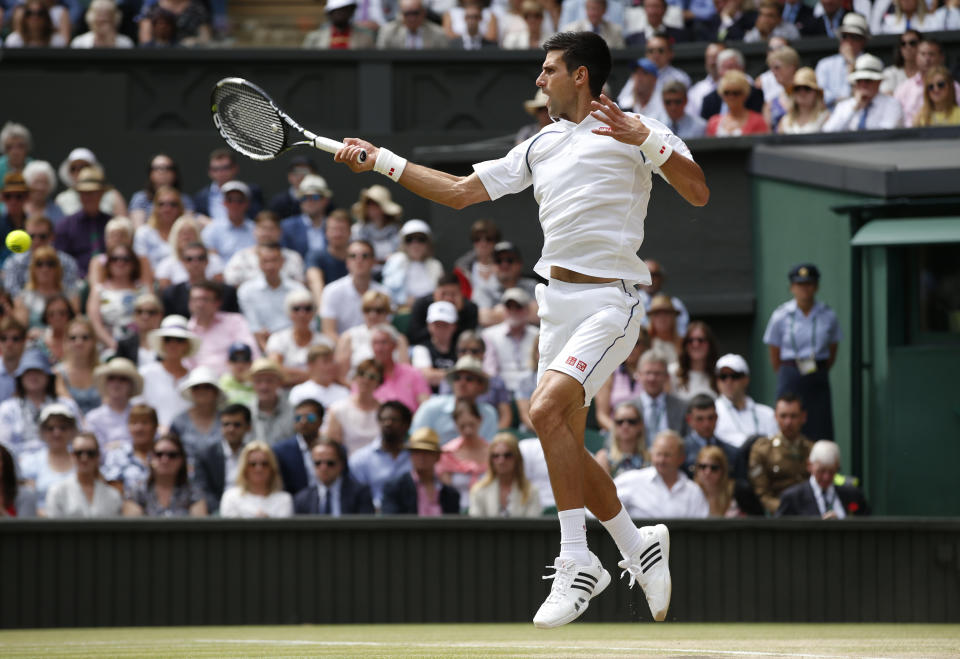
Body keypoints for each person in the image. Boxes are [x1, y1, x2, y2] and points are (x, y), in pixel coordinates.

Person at [334, 30, 708, 628]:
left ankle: (577, 559)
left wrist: (651, 145)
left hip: (611, 302)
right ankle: (637, 545)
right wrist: (379, 159)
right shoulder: (540, 145)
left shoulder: (639, 130)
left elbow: (698, 191)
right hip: (554, 306)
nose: (539, 78)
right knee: (561, 436)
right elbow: (459, 193)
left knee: (543, 413)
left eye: (549, 68)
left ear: (580, 75)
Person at [763, 263, 842, 440]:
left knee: (820, 426)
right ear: (792, 287)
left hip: (817, 372)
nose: (804, 289)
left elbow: (833, 349)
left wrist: (818, 368)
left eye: (809, 284)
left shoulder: (828, 315)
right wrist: (789, 370)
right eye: (800, 285)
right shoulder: (781, 315)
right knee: (788, 420)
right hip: (790, 371)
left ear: (816, 287)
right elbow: (774, 352)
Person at [0, 350, 80, 464]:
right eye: (28, 372)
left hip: (63, 465)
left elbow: (79, 439)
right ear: (20, 377)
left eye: (38, 371)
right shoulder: (8, 409)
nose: (33, 376)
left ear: (48, 376)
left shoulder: (67, 405)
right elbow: (4, 446)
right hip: (21, 467)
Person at [614, 430, 709, 518]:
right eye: (658, 454)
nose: (661, 460)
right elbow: (605, 504)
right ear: (651, 454)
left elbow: (701, 529)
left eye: (667, 455)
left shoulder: (693, 491)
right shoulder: (632, 480)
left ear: (681, 458)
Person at [748, 394, 814, 515]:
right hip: (778, 515)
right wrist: (785, 508)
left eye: (793, 416)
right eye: (783, 416)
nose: (788, 422)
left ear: (803, 417)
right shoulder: (763, 449)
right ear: (775, 417)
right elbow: (762, 493)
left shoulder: (812, 450)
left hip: (809, 514)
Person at [237, 243, 309, 352]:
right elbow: (254, 329)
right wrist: (270, 356)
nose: (270, 266)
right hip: (263, 346)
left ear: (282, 262)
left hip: (296, 343)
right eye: (265, 261)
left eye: (274, 260)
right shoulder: (246, 290)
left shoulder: (298, 288)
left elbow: (307, 323)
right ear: (259, 263)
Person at [411, 356, 498, 443]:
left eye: (469, 379)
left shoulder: (489, 413)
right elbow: (416, 443)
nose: (462, 383)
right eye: (457, 378)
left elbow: (488, 449)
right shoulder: (430, 407)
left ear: (480, 386)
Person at [777, 439, 869, 518]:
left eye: (832, 471)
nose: (826, 477)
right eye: (821, 471)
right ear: (810, 465)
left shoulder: (853, 495)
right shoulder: (793, 498)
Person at [319, 239, 390, 340]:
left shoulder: (384, 293)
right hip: (341, 351)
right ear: (347, 262)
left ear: (373, 262)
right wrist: (349, 350)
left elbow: (385, 329)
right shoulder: (331, 291)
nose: (359, 260)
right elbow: (328, 331)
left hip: (377, 350)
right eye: (353, 256)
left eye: (365, 256)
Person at [349, 400, 413, 510]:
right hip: (373, 518)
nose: (388, 424)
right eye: (383, 420)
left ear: (406, 425)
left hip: (411, 517)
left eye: (394, 420)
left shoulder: (416, 457)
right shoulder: (360, 459)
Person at [186, 281, 260, 376]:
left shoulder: (235, 321)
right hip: (200, 386)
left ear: (217, 303)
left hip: (236, 382)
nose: (199, 304)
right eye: (195, 299)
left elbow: (252, 353)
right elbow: (186, 366)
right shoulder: (185, 331)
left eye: (205, 299)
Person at [137, 315, 198, 428]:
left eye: (179, 340)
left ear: (186, 345)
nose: (173, 344)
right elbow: (138, 409)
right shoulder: (145, 374)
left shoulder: (195, 379)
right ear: (162, 343)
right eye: (168, 339)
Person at [381, 428, 460, 515]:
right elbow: (390, 522)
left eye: (427, 452)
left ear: (437, 457)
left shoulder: (450, 494)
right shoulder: (395, 488)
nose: (421, 457)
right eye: (417, 452)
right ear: (411, 455)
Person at [18, 402, 79, 515]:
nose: (57, 433)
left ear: (72, 431)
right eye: (50, 428)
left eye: (63, 427)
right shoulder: (30, 463)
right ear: (42, 432)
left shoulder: (83, 460)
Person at [86, 244, 149, 352]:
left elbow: (152, 318)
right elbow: (95, 323)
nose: (120, 263)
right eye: (114, 259)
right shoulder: (99, 291)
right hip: (108, 347)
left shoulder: (143, 290)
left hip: (140, 346)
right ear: (108, 263)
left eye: (126, 259)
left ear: (133, 263)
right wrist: (113, 344)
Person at [46, 432, 123, 518]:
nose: (84, 458)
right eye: (79, 453)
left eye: (90, 453)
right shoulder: (57, 492)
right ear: (72, 456)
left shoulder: (113, 495)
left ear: (98, 456)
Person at [52, 166, 111, 276]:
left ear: (102, 193)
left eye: (93, 193)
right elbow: (60, 260)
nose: (88, 197)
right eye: (84, 193)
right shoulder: (66, 226)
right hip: (76, 281)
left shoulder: (111, 224)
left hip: (110, 281)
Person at [823, 53, 905, 131]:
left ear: (879, 82)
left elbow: (887, 132)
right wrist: (854, 108)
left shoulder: (892, 104)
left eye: (867, 80)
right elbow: (828, 132)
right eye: (859, 81)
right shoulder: (845, 106)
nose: (863, 85)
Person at [194, 403, 251, 514]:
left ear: (248, 427)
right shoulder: (206, 455)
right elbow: (202, 490)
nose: (231, 429)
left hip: (249, 510)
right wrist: (223, 510)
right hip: (218, 512)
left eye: (237, 425)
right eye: (226, 424)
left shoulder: (254, 455)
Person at [469, 432, 542, 517]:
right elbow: (475, 527)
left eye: (507, 455)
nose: (501, 461)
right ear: (491, 460)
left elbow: (533, 527)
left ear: (517, 458)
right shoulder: (478, 490)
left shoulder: (531, 491)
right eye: (496, 456)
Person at [482, 288, 538, 397]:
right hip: (502, 393)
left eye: (518, 307)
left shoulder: (538, 335)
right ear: (504, 310)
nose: (513, 311)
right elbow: (490, 370)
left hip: (532, 391)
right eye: (509, 307)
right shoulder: (489, 335)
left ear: (527, 310)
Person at [713, 353, 777, 449]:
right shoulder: (711, 413)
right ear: (717, 380)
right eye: (723, 376)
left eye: (735, 376)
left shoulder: (767, 413)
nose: (728, 381)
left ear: (746, 379)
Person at [3, 216, 77, 298]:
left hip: (57, 308)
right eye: (32, 236)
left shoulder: (67, 262)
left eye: (42, 236)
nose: (37, 241)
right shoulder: (14, 262)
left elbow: (71, 294)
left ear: (52, 236)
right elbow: (11, 294)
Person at [294, 439, 375, 515]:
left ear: (341, 464)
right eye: (318, 463)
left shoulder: (360, 494)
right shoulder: (302, 499)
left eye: (330, 463)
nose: (323, 468)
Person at [436, 399, 490, 509]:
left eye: (471, 425)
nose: (468, 431)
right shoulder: (447, 453)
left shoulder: (494, 453)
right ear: (455, 424)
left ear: (480, 420)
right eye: (462, 426)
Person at [161, 242, 239, 319]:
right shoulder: (171, 294)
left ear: (207, 261)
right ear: (182, 263)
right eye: (189, 259)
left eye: (200, 258)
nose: (195, 263)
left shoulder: (227, 292)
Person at [219, 441, 294, 518]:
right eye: (252, 464)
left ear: (272, 468)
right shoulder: (231, 497)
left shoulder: (284, 499)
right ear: (244, 468)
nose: (259, 469)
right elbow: (229, 528)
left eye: (264, 464)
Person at [473, 241, 539, 327]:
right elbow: (485, 318)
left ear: (520, 264)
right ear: (492, 265)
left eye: (510, 260)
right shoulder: (483, 289)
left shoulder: (532, 285)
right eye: (499, 261)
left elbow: (539, 314)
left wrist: (497, 313)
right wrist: (523, 310)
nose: (504, 264)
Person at [325, 359, 384, 454]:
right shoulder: (338, 409)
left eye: (372, 377)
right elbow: (333, 447)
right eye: (361, 374)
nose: (366, 380)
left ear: (379, 382)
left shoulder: (385, 410)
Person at [382, 219, 445, 309]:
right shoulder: (396, 261)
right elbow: (387, 293)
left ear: (428, 243)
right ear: (403, 243)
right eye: (409, 240)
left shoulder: (435, 265)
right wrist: (403, 301)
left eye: (421, 239)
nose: (415, 244)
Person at [406, 272, 480, 347]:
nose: (448, 298)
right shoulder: (421, 305)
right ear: (435, 293)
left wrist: (457, 314)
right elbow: (413, 337)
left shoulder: (470, 308)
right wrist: (436, 324)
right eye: (444, 294)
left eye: (453, 294)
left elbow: (468, 339)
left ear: (461, 294)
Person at [895, 38, 960, 124]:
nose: (927, 59)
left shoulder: (955, 87)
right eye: (923, 54)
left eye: (931, 54)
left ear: (941, 58)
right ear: (916, 57)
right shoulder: (903, 88)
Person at [86, 358, 142, 454]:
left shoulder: (141, 414)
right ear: (106, 383)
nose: (117, 383)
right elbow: (94, 451)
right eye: (112, 378)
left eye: (123, 379)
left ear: (131, 385)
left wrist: (118, 446)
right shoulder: (93, 418)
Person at [13, 247, 78, 330]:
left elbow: (75, 325)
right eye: (39, 264)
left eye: (50, 264)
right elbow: (20, 329)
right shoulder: (23, 298)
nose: (45, 269)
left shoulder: (71, 296)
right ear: (33, 269)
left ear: (58, 269)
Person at [814, 12, 870, 109]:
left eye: (854, 37)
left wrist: (851, 64)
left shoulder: (871, 63)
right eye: (844, 36)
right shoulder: (824, 64)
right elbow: (819, 96)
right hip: (830, 118)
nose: (849, 41)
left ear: (863, 41)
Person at [270, 398, 325, 496]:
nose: (303, 421)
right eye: (298, 418)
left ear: (321, 420)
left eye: (310, 417)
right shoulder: (281, 451)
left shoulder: (333, 449)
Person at [170, 366, 225, 464]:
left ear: (216, 391)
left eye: (207, 386)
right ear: (191, 391)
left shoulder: (227, 419)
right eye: (196, 387)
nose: (202, 390)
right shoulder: (179, 421)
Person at [192, 149, 263, 223]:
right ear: (210, 172)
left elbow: (258, 218)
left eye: (225, 168)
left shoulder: (252, 191)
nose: (220, 173)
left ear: (235, 168)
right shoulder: (201, 196)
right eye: (215, 169)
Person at [372, 324, 431, 413]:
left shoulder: (412, 373)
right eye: (375, 343)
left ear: (394, 345)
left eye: (384, 342)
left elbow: (426, 404)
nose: (379, 348)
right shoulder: (365, 375)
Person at [630, 350, 689, 440]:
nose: (652, 378)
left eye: (657, 373)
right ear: (639, 375)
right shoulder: (627, 408)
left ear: (667, 376)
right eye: (648, 373)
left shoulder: (682, 408)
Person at [102, 403, 158, 495]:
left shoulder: (165, 454)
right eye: (134, 423)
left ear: (155, 426)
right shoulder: (117, 454)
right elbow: (112, 487)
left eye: (145, 422)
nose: (139, 428)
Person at [54, 148, 125, 219]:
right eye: (73, 168)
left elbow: (123, 223)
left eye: (83, 166)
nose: (78, 171)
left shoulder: (113, 196)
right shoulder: (61, 199)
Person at [156, 218, 226, 289]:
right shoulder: (166, 265)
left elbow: (220, 289)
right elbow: (166, 294)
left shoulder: (214, 260)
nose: (186, 237)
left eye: (190, 232)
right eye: (182, 233)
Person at [127, 154, 195, 228]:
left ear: (175, 173)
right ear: (150, 173)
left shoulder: (184, 199)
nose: (162, 172)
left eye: (173, 204)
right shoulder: (140, 198)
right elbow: (138, 230)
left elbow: (188, 227)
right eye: (157, 168)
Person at [304, 209, 351, 311]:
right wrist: (324, 312)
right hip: (327, 309)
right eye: (333, 229)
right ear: (326, 232)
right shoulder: (315, 256)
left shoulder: (358, 256)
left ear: (350, 232)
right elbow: (315, 283)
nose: (337, 234)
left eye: (342, 229)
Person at [681, 394, 738, 479]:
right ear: (689, 420)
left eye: (710, 418)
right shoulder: (680, 452)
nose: (706, 424)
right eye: (700, 419)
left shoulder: (732, 453)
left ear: (716, 418)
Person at [132, 185, 187, 272]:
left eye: (173, 204)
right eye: (161, 204)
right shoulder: (143, 233)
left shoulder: (187, 233)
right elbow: (144, 269)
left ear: (180, 208)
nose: (167, 209)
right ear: (155, 208)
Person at [53, 317, 101, 416]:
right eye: (73, 338)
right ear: (65, 342)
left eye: (85, 337)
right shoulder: (57, 373)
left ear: (93, 341)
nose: (79, 342)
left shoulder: (103, 371)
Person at [201, 181, 257, 263]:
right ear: (224, 203)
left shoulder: (255, 229)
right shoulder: (212, 229)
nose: (234, 204)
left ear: (247, 203)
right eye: (230, 200)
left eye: (239, 200)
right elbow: (209, 258)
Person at [349, 185, 403, 269]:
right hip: (365, 274)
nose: (372, 207)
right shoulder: (357, 230)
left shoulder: (397, 231)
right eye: (368, 203)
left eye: (375, 203)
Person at [410, 300, 460, 391]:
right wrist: (458, 375)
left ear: (454, 326)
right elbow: (427, 377)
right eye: (437, 325)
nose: (441, 329)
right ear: (429, 325)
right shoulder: (421, 348)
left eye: (445, 325)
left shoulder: (462, 348)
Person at [280, 174, 333, 260]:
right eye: (304, 197)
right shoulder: (286, 227)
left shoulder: (335, 226)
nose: (309, 201)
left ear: (325, 200)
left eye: (315, 197)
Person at [707, 70, 770, 137]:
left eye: (736, 93)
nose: (731, 97)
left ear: (745, 94)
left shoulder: (758, 121)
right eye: (726, 93)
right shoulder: (713, 122)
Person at [248, 358, 294, 446]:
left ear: (279, 383)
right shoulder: (246, 413)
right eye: (258, 381)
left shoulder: (293, 411)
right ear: (253, 384)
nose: (264, 386)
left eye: (269, 381)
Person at [594, 401, 648, 478]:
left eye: (631, 421)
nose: (625, 425)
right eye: (619, 422)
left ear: (640, 425)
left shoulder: (650, 458)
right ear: (614, 425)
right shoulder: (604, 458)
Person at [289, 343, 350, 410]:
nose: (331, 366)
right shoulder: (298, 392)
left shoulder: (344, 392)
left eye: (332, 361)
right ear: (311, 365)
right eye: (326, 361)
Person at [638, 259, 690, 337]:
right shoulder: (628, 302)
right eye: (645, 274)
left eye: (654, 275)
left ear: (662, 278)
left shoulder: (675, 304)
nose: (650, 278)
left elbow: (682, 333)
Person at [670, 321, 718, 399]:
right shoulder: (672, 372)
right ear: (685, 345)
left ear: (710, 344)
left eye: (701, 340)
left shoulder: (720, 373)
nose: (695, 344)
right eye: (690, 341)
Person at [302, 0, 376, 49]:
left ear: (351, 12)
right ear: (330, 13)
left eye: (345, 9)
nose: (342, 14)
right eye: (338, 11)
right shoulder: (314, 39)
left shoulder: (365, 39)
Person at [778, 67, 832, 134]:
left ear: (816, 93)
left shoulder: (825, 117)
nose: (802, 92)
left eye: (807, 88)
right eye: (797, 88)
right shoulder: (784, 121)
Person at [376, 0, 449, 48]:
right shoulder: (388, 32)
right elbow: (381, 60)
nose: (412, 18)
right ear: (401, 14)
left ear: (423, 13)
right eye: (407, 14)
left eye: (415, 13)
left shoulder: (438, 33)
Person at [760, 45, 800, 131]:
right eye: (771, 69)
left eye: (777, 68)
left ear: (791, 67)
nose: (773, 72)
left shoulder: (809, 95)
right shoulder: (770, 103)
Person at [692, 445, 739, 517]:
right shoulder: (689, 492)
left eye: (713, 468)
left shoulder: (734, 492)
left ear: (723, 470)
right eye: (703, 466)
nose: (707, 472)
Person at [29, 294, 75, 366]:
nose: (57, 317)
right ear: (46, 317)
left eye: (62, 313)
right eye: (51, 314)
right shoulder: (38, 341)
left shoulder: (79, 339)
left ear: (69, 315)